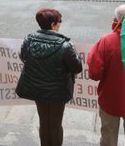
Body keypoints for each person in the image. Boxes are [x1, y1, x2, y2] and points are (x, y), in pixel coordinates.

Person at [16, 8, 82, 146]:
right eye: (59, 21)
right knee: (56, 124)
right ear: (53, 24)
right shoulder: (65, 45)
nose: (60, 24)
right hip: (58, 92)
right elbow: (77, 68)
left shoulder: (29, 40)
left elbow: (23, 57)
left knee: (44, 122)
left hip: (36, 88)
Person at [88, 4, 125, 146]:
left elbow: (94, 73)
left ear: (115, 19)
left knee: (108, 139)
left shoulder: (106, 41)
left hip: (109, 99)